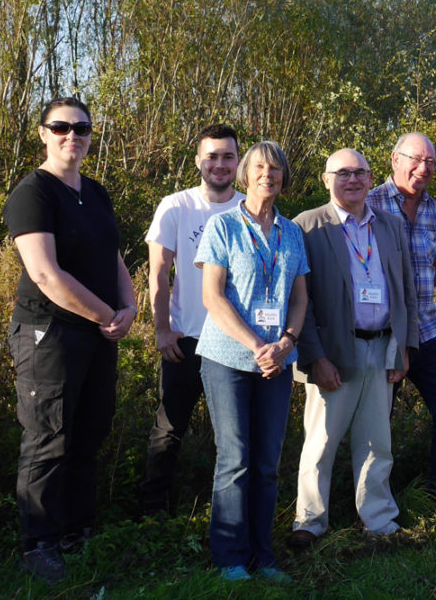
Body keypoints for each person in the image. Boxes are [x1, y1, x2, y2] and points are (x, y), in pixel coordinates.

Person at [3, 96, 137, 583]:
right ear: (42, 133)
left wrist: (130, 306)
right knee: (47, 438)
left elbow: (114, 257)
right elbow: (44, 273)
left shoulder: (95, 192)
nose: (72, 136)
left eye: (81, 129)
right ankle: (38, 543)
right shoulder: (32, 193)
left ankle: (77, 532)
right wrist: (108, 315)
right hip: (49, 334)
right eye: (60, 127)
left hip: (99, 333)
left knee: (88, 434)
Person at [288, 149, 419, 549]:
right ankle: (309, 522)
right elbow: (299, 302)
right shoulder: (307, 227)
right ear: (326, 179)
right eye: (342, 173)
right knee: (321, 441)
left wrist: (403, 348)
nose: (353, 179)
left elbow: (406, 290)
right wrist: (314, 357)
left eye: (360, 172)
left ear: (371, 177)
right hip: (333, 355)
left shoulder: (391, 225)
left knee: (377, 443)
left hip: (381, 350)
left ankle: (379, 521)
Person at [194, 141, 308, 582]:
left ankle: (264, 555)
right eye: (259, 167)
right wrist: (255, 345)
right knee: (235, 458)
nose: (268, 175)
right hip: (227, 358)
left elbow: (299, 298)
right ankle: (229, 557)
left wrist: (286, 341)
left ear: (284, 178)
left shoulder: (292, 233)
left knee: (267, 461)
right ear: (245, 175)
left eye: (276, 168)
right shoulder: (223, 227)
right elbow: (212, 297)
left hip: (277, 363)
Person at [139, 124, 243, 515]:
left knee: (233, 437)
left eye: (228, 156)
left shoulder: (249, 207)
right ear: (199, 160)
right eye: (212, 156)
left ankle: (229, 513)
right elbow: (158, 272)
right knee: (168, 431)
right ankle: (152, 513)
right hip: (187, 339)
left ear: (238, 161)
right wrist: (163, 329)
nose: (219, 164)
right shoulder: (176, 206)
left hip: (235, 341)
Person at [368, 133, 436, 505]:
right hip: (381, 334)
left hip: (427, 328)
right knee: (378, 419)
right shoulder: (369, 203)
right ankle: (377, 500)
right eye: (415, 159)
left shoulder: (435, 211)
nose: (423, 168)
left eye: (430, 163)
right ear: (395, 159)